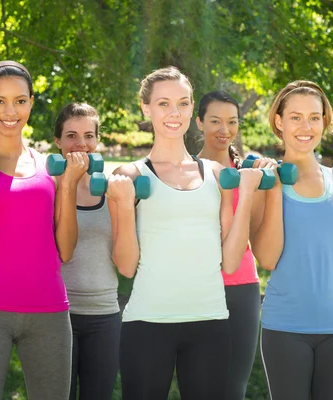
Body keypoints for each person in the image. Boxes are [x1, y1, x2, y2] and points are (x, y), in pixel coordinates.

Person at [106, 66, 262, 400]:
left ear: (192, 108)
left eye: (183, 103)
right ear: (146, 109)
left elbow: (231, 262)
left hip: (210, 322)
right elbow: (125, 266)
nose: (174, 113)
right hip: (147, 324)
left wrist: (246, 195)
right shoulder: (129, 175)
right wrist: (121, 205)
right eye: (163, 104)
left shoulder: (218, 174)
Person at [0, 61, 86, 400]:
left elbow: (66, 251)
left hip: (49, 313)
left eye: (20, 101)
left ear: (31, 102)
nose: (10, 111)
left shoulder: (50, 169)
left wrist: (68, 186)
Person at [251, 80, 333, 399]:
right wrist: (276, 190)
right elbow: (266, 259)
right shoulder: (265, 181)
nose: (305, 126)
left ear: (325, 122)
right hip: (285, 327)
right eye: (295, 117)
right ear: (279, 121)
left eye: (314, 117)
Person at [195, 91, 261, 400]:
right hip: (198, 285)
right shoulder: (185, 173)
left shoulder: (251, 172)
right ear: (198, 123)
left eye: (232, 122)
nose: (224, 130)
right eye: (215, 121)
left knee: (234, 389)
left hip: (242, 287)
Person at [53, 102, 121, 400]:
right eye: (71, 135)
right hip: (55, 313)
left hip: (104, 314)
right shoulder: (46, 188)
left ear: (97, 140)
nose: (81, 143)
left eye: (88, 135)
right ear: (58, 141)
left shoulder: (114, 189)